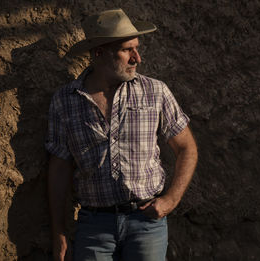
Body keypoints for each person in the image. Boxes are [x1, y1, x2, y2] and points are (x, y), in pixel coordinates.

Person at [45, 8, 198, 261]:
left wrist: (170, 200)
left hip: (146, 223)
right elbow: (59, 167)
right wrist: (58, 233)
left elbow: (187, 148)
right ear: (99, 53)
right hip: (93, 227)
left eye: (137, 48)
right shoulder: (65, 101)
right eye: (127, 50)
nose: (137, 58)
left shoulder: (155, 91)